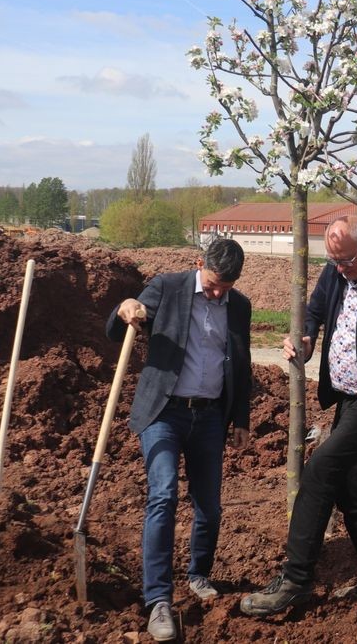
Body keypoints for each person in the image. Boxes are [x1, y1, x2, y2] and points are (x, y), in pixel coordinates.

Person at [240, 215, 357, 617]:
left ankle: (295, 579)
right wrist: (304, 337)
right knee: (350, 489)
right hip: (343, 399)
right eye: (333, 260)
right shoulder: (335, 272)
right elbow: (314, 312)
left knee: (320, 470)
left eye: (344, 260)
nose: (339, 268)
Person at [105, 239, 252, 642]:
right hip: (163, 412)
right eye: (214, 283)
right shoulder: (167, 287)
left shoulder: (238, 306)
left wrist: (241, 417)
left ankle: (199, 574)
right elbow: (118, 326)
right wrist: (126, 309)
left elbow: (242, 361)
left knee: (210, 505)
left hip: (209, 416)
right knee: (164, 494)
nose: (219, 292)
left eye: (227, 286)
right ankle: (158, 600)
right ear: (198, 264)